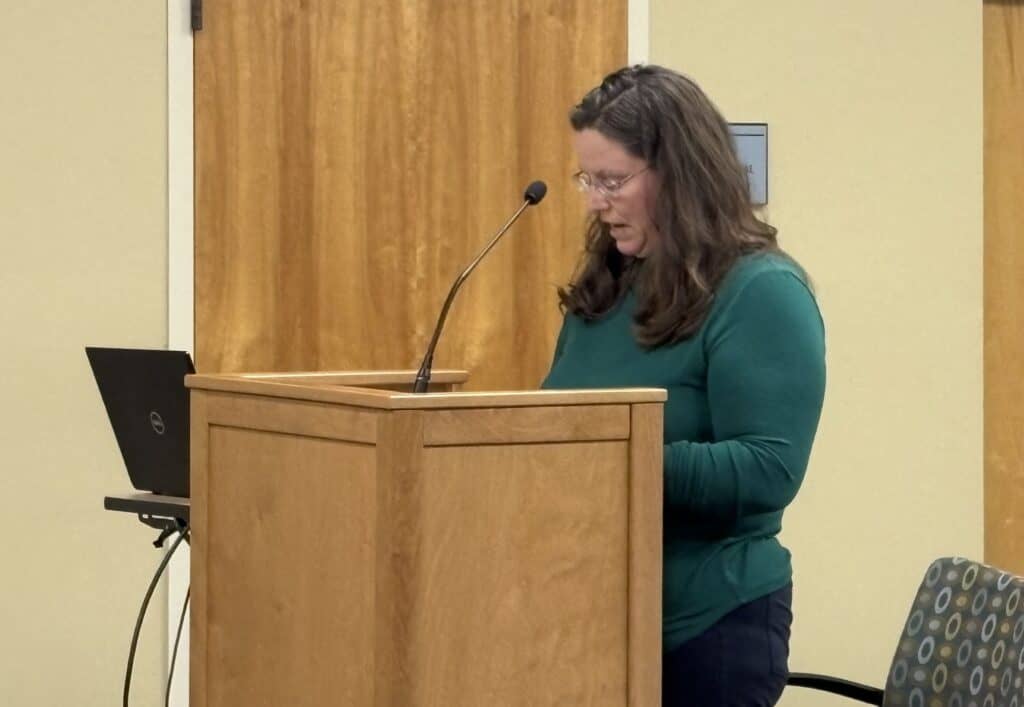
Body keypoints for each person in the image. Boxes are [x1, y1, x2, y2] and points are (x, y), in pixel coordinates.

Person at [542, 64, 826, 706]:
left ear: (679, 173)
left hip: (708, 632)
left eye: (612, 180)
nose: (594, 200)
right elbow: (561, 417)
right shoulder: (608, 283)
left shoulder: (760, 292)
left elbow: (768, 468)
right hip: (588, 621)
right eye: (587, 180)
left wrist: (613, 456)